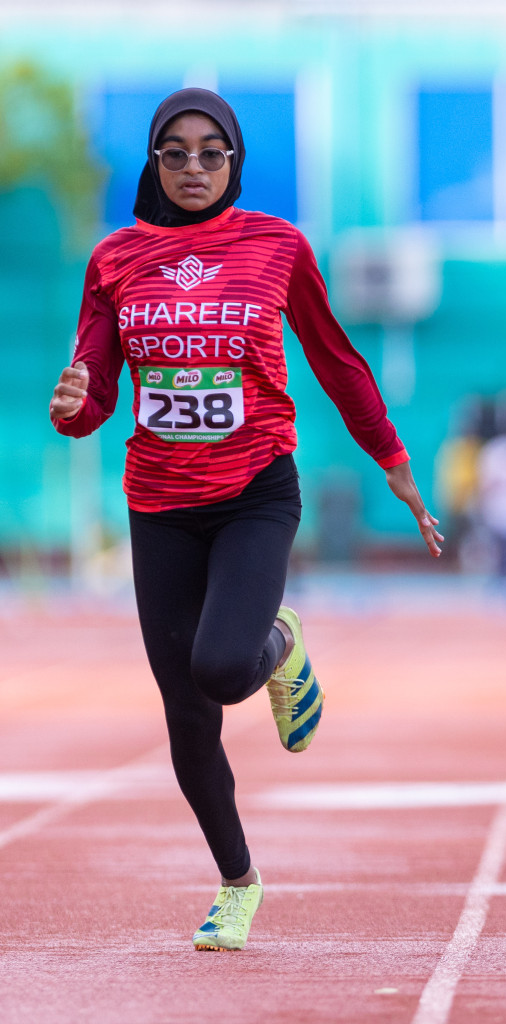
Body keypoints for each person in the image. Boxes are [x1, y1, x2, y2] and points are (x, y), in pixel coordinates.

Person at [47, 89, 442, 951]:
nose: (194, 168)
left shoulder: (277, 246)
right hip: (157, 503)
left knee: (224, 667)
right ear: (154, 164)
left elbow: (337, 360)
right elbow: (95, 391)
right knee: (186, 713)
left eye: (211, 152)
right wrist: (74, 405)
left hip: (256, 490)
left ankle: (277, 644)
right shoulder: (115, 258)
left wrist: (396, 464)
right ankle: (237, 883)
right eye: (175, 153)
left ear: (236, 163)